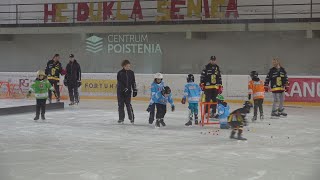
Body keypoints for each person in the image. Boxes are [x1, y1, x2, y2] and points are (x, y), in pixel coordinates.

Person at [117, 60, 137, 124]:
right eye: (127, 66)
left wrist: (134, 89)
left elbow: (133, 82)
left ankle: (131, 118)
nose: (129, 67)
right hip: (120, 92)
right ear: (124, 66)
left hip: (128, 92)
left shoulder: (131, 73)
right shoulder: (120, 73)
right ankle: (121, 119)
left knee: (128, 105)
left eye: (129, 66)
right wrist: (124, 89)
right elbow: (119, 82)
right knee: (121, 105)